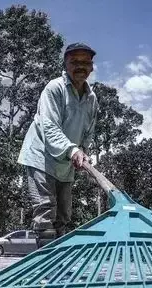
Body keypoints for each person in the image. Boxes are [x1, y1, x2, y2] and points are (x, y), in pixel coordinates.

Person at [18, 42, 98, 242]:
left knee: (64, 217)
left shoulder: (91, 98)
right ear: (66, 64)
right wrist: (73, 150)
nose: (80, 66)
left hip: (66, 162)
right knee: (45, 212)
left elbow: (88, 131)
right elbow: (49, 127)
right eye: (75, 62)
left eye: (85, 63)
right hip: (41, 156)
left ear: (91, 67)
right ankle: (46, 269)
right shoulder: (55, 88)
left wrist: (83, 150)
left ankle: (58, 268)